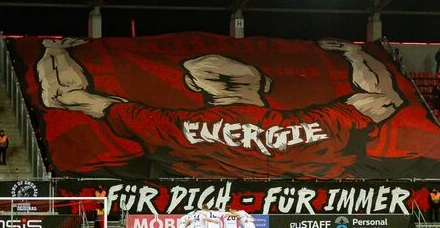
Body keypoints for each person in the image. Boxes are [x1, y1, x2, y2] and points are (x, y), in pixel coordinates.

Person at [36, 38, 406, 179]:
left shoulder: (162, 124)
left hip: (198, 202)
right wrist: (354, 53)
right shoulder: (326, 121)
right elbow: (386, 98)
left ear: (194, 85)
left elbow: (63, 96)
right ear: (265, 83)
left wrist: (55, 51)